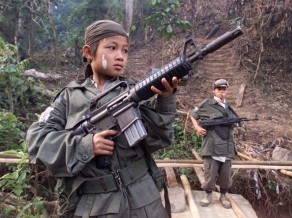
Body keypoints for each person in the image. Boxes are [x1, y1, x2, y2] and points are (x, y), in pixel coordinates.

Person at [26, 20, 179, 218]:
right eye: (112, 48)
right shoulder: (69, 98)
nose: (120, 56)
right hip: (95, 206)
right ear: (89, 52)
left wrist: (165, 101)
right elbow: (36, 141)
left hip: (145, 201)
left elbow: (159, 139)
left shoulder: (132, 91)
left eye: (124, 50)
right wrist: (86, 146)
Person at [189, 78, 238, 209]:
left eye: (224, 90)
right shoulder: (207, 104)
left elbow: (234, 121)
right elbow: (193, 114)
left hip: (227, 146)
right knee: (210, 173)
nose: (222, 92)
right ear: (214, 90)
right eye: (219, 89)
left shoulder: (228, 107)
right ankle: (208, 195)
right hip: (212, 145)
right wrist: (198, 128)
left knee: (225, 174)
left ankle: (223, 195)